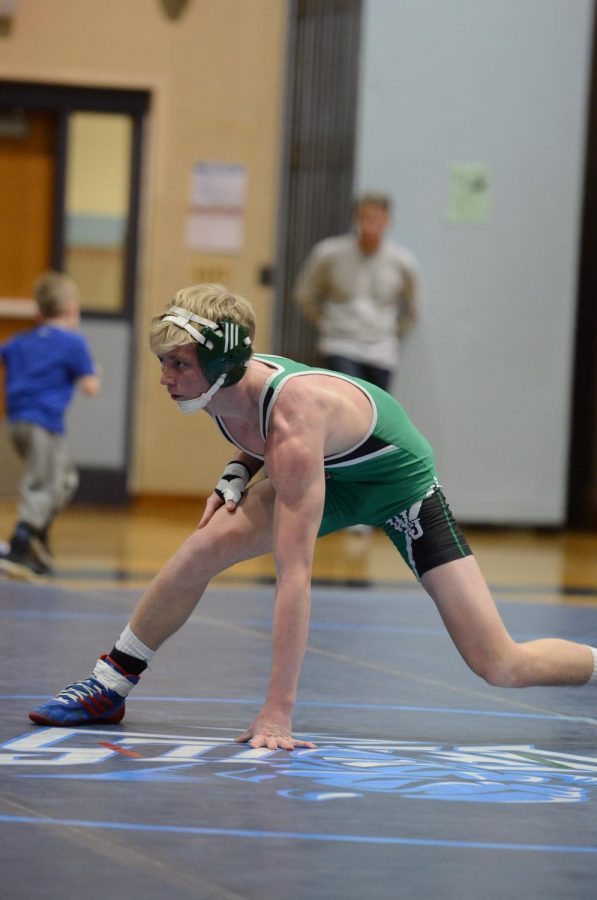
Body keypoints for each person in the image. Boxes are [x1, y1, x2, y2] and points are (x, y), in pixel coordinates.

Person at [28, 283, 597, 750]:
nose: (165, 377)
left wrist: (277, 712)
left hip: (398, 486)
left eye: (178, 363)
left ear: (222, 362)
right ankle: (109, 685)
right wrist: (235, 472)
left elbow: (294, 575)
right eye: (163, 362)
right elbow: (251, 434)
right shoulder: (220, 388)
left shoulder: (294, 418)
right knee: (201, 548)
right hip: (326, 466)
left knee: (500, 663)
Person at [0, 271, 101, 579]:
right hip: (43, 423)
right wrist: (93, 370)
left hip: (16, 424)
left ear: (38, 312)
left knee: (64, 480)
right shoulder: (74, 343)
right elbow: (90, 387)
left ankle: (35, 535)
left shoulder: (19, 341)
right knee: (43, 484)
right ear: (72, 309)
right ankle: (19, 544)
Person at [294, 191, 422, 391]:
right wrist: (325, 322)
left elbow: (413, 306)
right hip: (340, 342)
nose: (370, 225)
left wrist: (394, 331)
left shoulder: (402, 262)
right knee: (348, 396)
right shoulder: (329, 254)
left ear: (388, 221)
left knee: (376, 408)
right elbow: (306, 294)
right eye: (365, 218)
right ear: (356, 219)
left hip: (381, 347)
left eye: (377, 219)